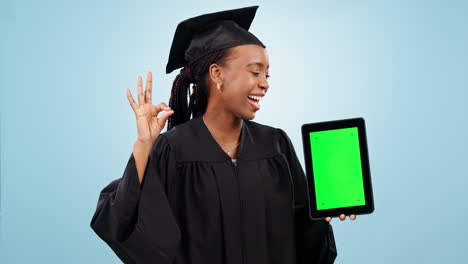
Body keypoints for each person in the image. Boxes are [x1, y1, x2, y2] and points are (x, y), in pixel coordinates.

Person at [90, 6, 356, 264]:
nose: (264, 83)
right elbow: (122, 223)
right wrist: (144, 145)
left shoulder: (275, 144)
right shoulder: (174, 149)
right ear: (217, 74)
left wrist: (325, 214)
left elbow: (303, 235)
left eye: (267, 74)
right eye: (255, 71)